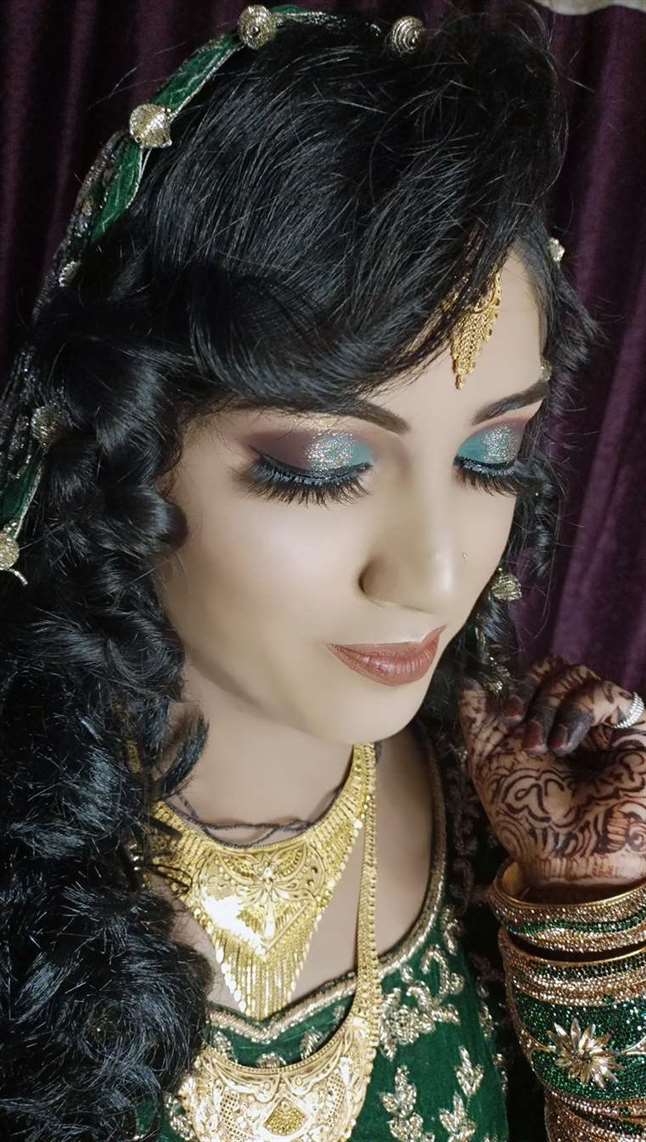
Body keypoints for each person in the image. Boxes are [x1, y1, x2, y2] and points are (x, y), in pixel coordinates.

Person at [1, 5, 644, 1140]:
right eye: (321, 468)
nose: (433, 574)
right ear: (115, 446)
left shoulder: (518, 828)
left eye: (490, 458)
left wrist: (593, 923)